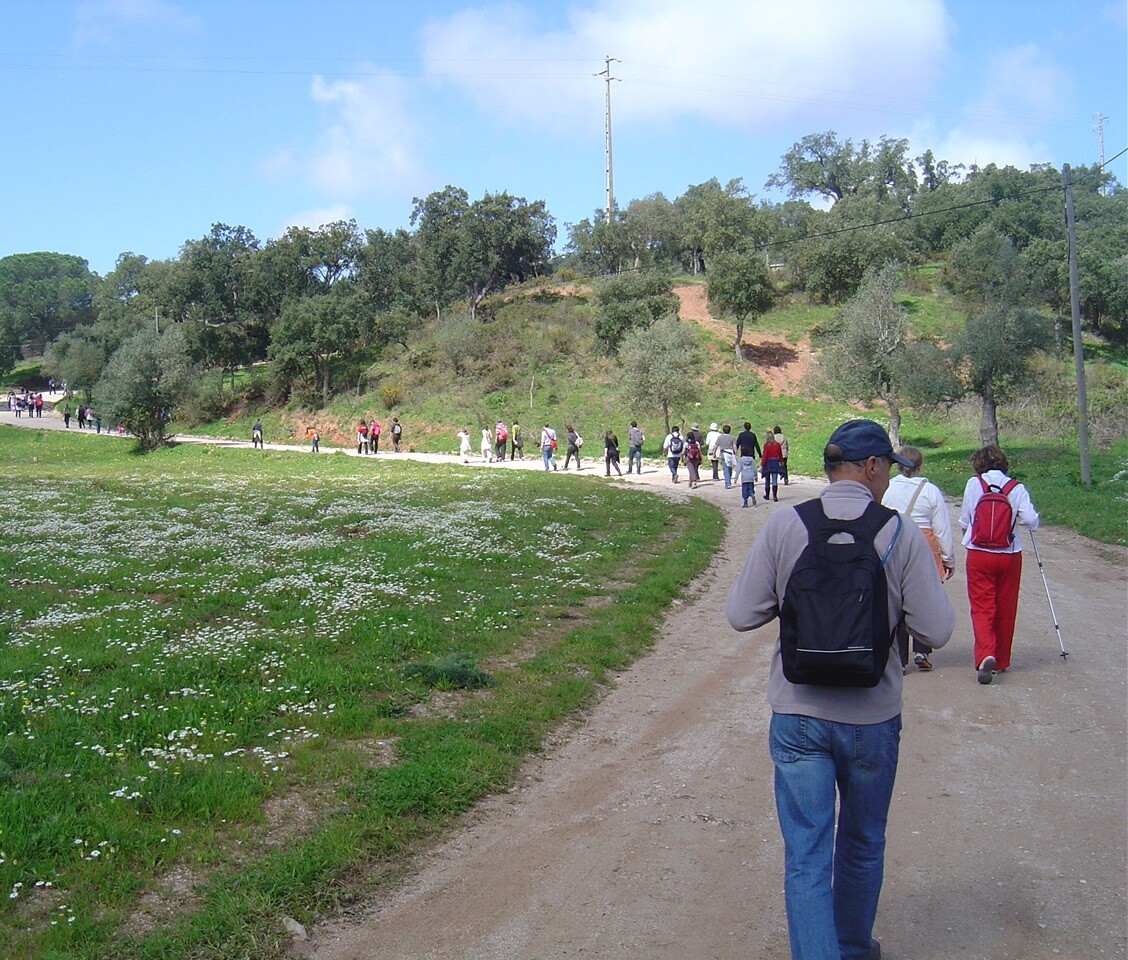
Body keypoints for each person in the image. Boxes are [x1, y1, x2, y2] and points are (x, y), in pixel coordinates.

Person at [727, 418, 954, 960]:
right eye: (886, 470)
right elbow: (938, 631)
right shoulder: (896, 531)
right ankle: (852, 947)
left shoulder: (787, 525)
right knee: (862, 843)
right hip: (872, 717)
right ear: (872, 467)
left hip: (798, 715)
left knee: (806, 854)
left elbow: (741, 615)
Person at [958, 444, 1040, 684]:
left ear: (978, 463)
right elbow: (1030, 520)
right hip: (1009, 553)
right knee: (1006, 606)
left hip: (978, 553)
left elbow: (965, 518)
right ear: (1004, 463)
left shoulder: (974, 484)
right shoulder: (1017, 487)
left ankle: (986, 653)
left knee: (982, 607)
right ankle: (1002, 660)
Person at [882, 446, 955, 672]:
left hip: (894, 541)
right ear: (919, 466)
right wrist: (947, 558)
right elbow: (941, 527)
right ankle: (922, 650)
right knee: (925, 597)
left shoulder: (887, 487)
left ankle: (900, 657)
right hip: (925, 544)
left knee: (896, 599)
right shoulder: (930, 490)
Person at [762, 430, 783, 502]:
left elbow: (765, 455)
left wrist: (762, 464)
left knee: (767, 480)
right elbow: (780, 454)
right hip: (775, 462)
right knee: (774, 480)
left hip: (768, 462)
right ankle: (775, 496)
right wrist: (781, 461)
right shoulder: (777, 445)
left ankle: (767, 495)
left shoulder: (766, 445)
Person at [713, 424, 737, 488]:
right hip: (730, 454)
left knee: (726, 468)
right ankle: (728, 480)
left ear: (723, 430)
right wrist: (735, 453)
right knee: (730, 467)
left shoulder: (720, 437)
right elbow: (734, 446)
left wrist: (714, 453)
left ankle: (727, 483)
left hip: (723, 454)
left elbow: (715, 446)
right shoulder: (732, 437)